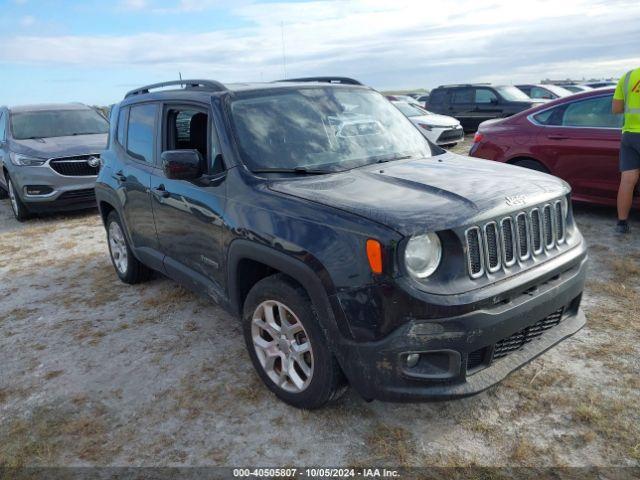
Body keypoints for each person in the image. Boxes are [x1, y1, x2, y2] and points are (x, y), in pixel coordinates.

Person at [613, 67, 640, 234]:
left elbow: (616, 109)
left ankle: (622, 224)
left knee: (628, 181)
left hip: (629, 134)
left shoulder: (628, 76)